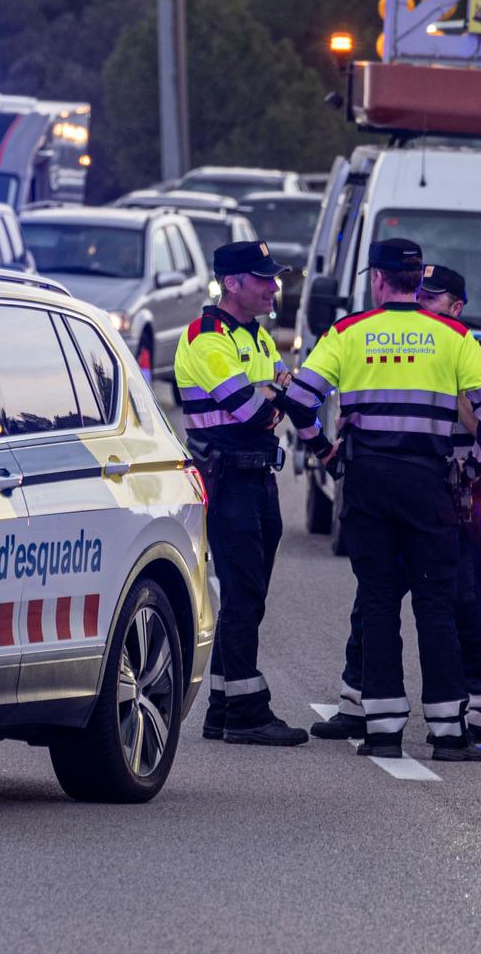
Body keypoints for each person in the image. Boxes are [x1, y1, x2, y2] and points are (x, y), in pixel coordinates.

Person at [283, 240, 481, 761]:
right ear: (413, 280)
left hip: (368, 482)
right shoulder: (453, 336)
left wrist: (326, 451)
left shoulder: (347, 333)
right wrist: (471, 468)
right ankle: (449, 733)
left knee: (379, 601)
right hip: (430, 484)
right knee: (436, 604)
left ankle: (381, 730)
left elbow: (299, 400)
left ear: (379, 281)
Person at [173, 241, 307, 747]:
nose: (274, 287)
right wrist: (276, 395)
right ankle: (247, 713)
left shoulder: (256, 336)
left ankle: (223, 708)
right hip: (227, 480)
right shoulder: (207, 338)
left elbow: (280, 398)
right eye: (263, 279)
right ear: (232, 283)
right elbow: (255, 410)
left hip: (258, 479)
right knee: (244, 593)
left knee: (246, 595)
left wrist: (275, 395)